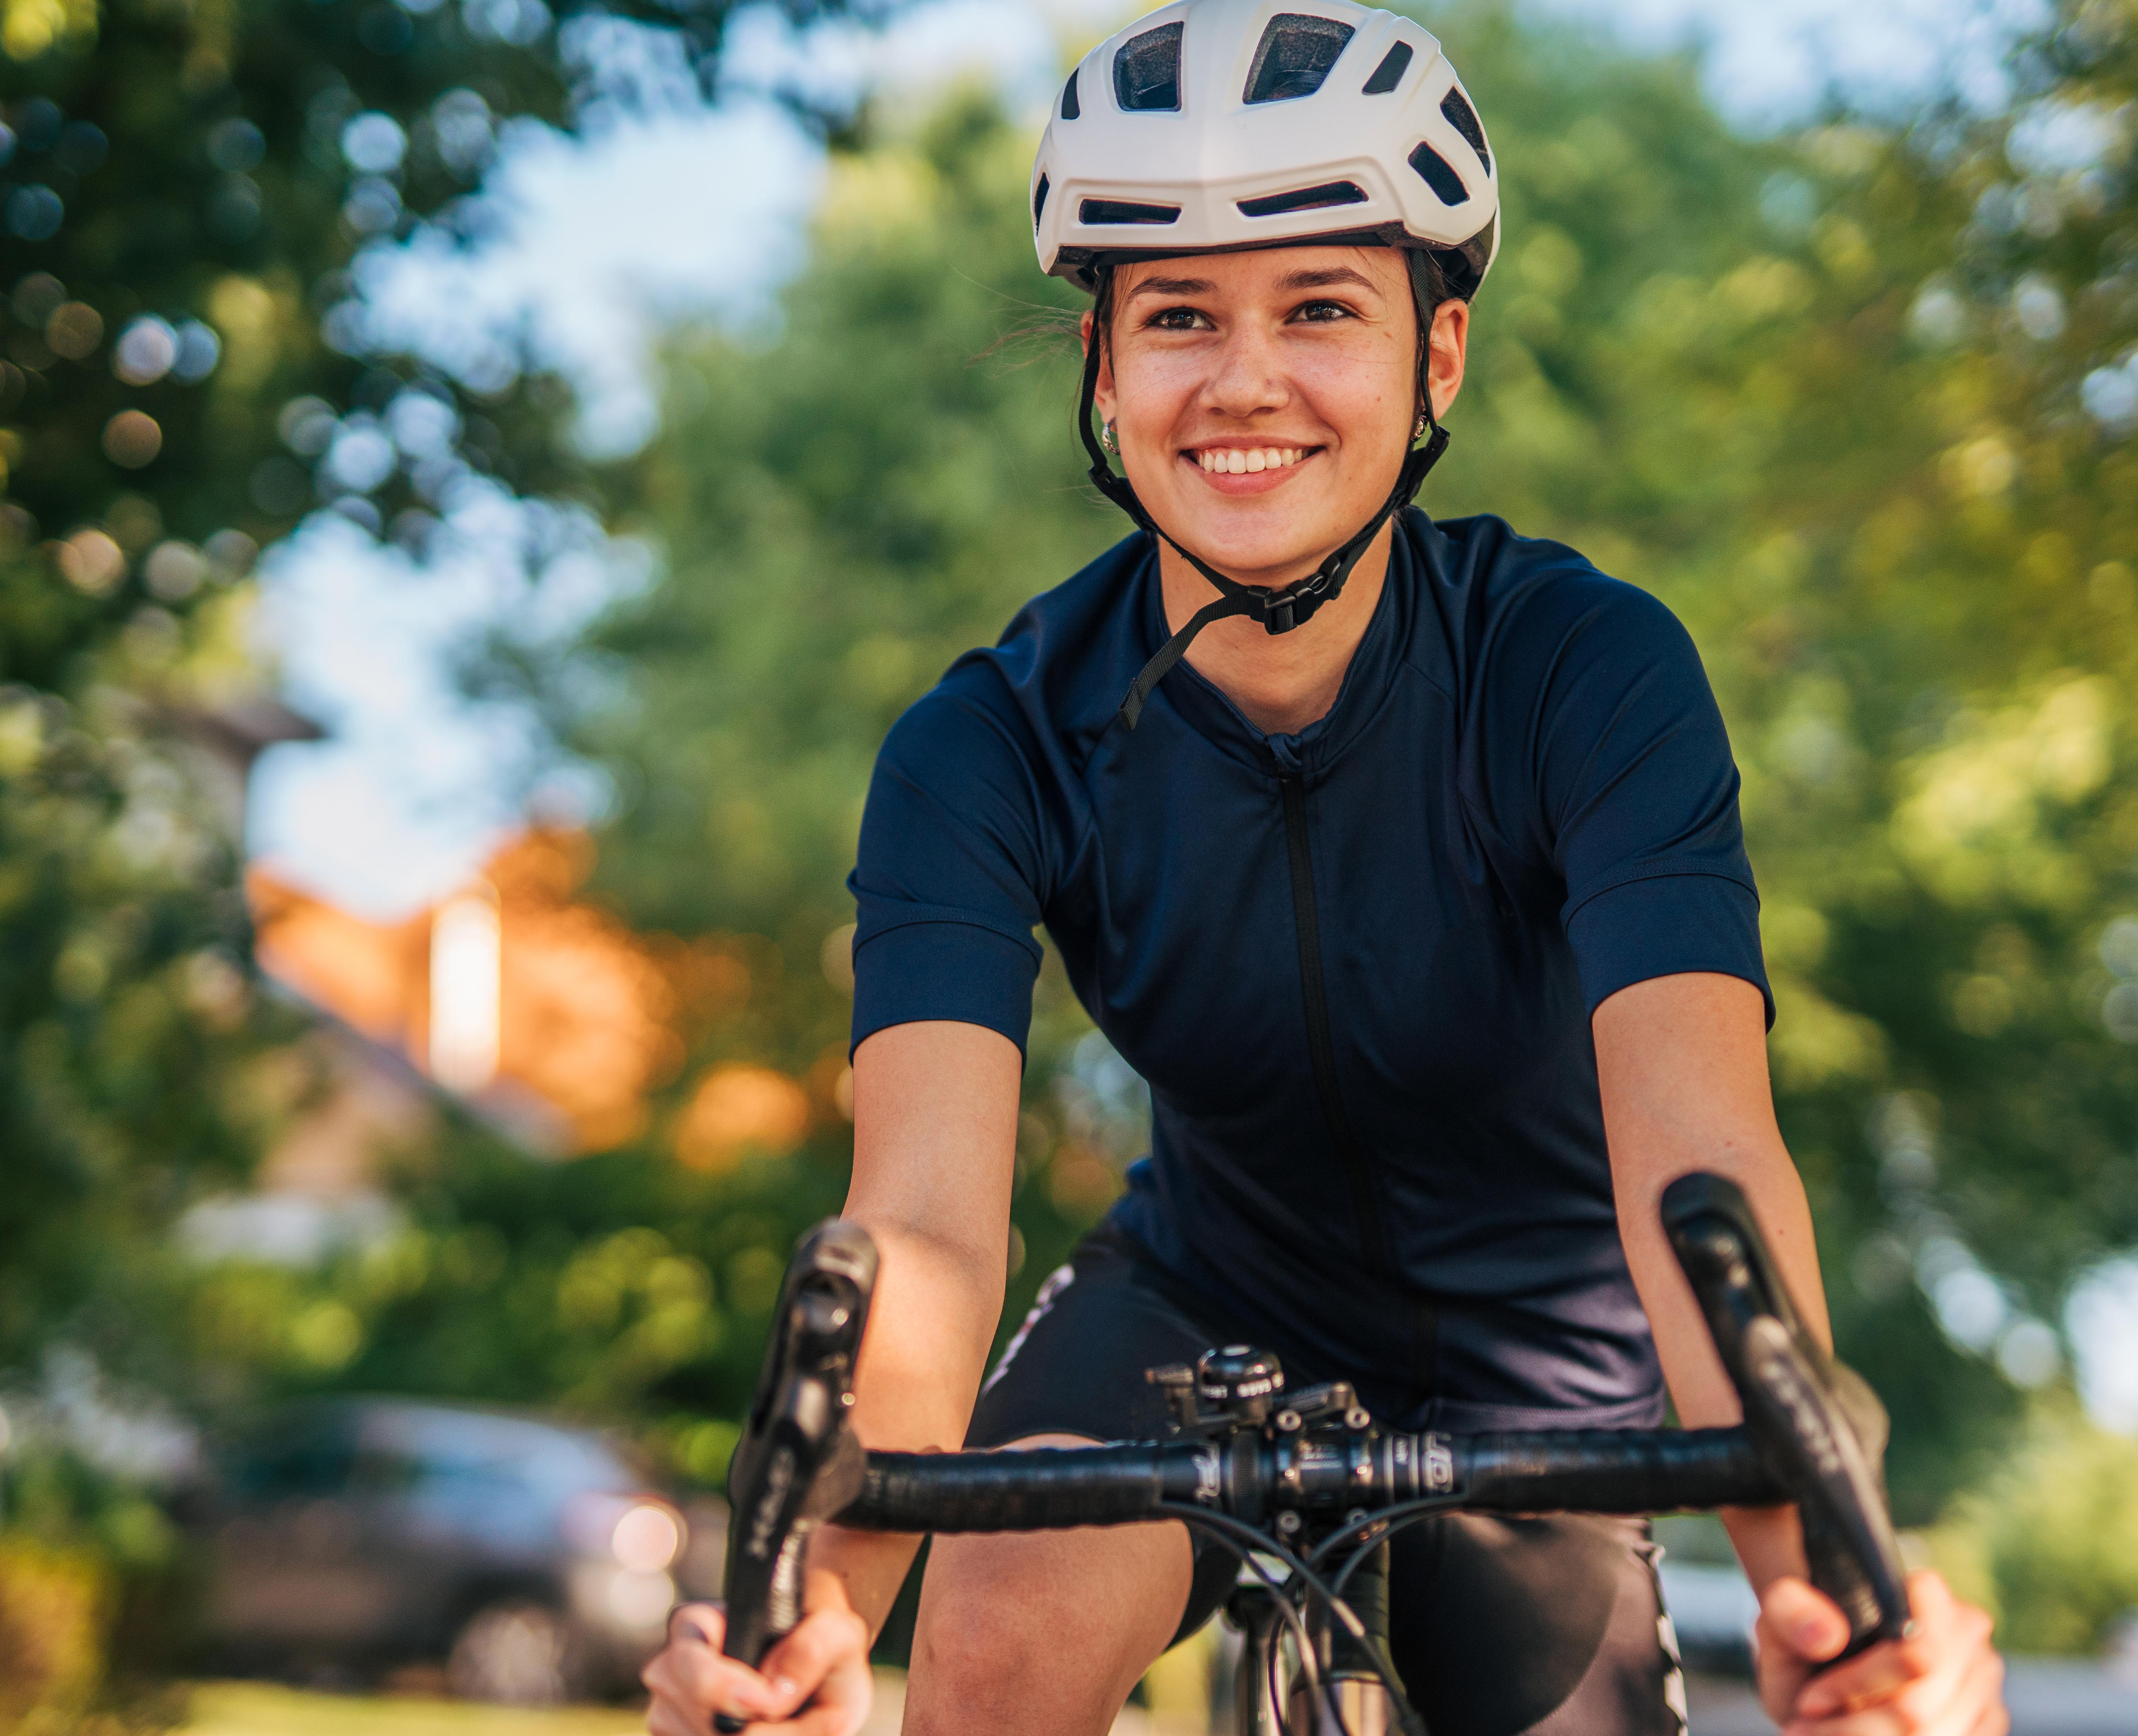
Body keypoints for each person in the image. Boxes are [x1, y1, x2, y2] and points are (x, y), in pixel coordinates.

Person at [647, 2, 2008, 1730]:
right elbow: (916, 1233)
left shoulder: (1582, 673)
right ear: (1102, 369)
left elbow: (1705, 1167)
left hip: (1554, 1374)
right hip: (1204, 1307)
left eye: (1318, 309)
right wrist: (797, 1639)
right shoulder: (979, 746)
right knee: (991, 1621)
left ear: (1438, 359)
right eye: (1177, 319)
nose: (1242, 381)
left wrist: (1830, 1592)